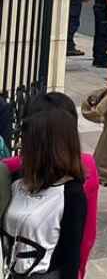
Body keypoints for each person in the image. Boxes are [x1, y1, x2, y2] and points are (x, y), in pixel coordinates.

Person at [1, 100, 88, 279]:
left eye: (26, 142)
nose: (20, 147)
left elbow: (71, 257)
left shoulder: (72, 194)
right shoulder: (17, 180)